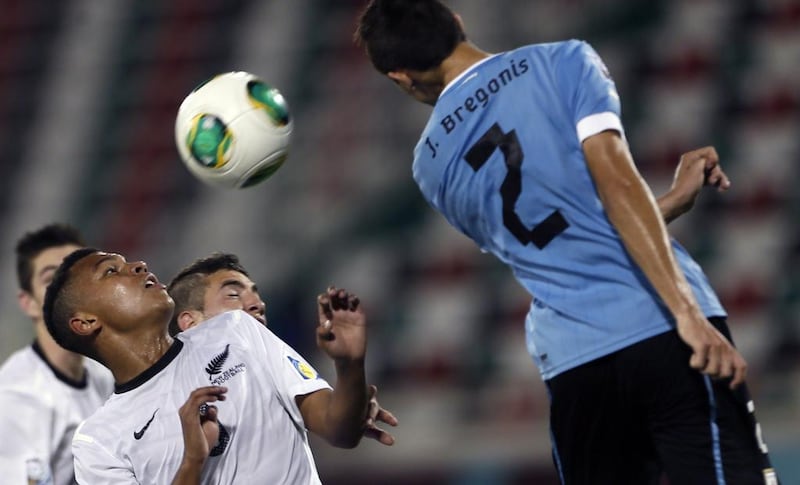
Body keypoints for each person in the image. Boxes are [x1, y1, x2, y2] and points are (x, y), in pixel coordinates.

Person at [355, 1, 778, 484]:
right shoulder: (563, 62)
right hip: (659, 326)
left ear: (400, 77)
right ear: (457, 23)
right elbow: (617, 184)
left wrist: (667, 204)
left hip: (576, 366)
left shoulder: (429, 168)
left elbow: (559, 244)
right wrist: (687, 313)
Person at [42, 248, 380, 484]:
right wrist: (192, 460)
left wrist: (350, 365)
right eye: (111, 271)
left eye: (128, 261)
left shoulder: (237, 331)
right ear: (85, 321)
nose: (139, 266)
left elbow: (341, 431)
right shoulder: (98, 440)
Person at [166, 252, 397, 446]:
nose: (258, 304)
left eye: (256, 293)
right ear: (191, 322)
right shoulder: (152, 402)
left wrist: (349, 365)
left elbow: (339, 430)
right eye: (234, 295)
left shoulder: (264, 355)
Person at [0, 224, 114, 485]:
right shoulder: (17, 399)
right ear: (28, 303)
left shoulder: (105, 375)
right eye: (51, 279)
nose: (67, 289)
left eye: (77, 275)